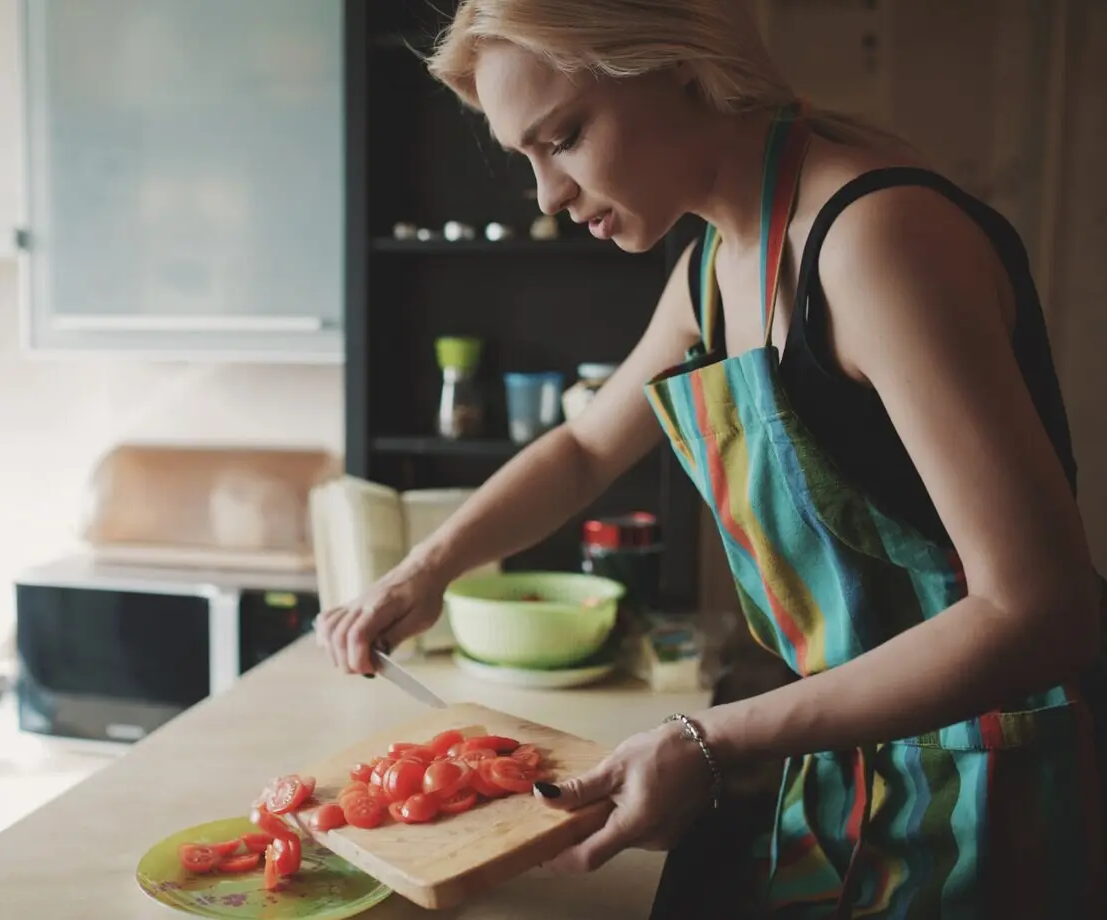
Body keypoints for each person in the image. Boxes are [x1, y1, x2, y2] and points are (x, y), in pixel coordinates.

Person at [316, 0, 1106, 915]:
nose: (548, 195)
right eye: (525, 157)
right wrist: (421, 572)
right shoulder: (713, 262)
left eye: (563, 138)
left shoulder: (875, 240)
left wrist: (710, 740)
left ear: (682, 69)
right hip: (858, 770)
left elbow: (1039, 608)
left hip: (1004, 793)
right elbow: (581, 448)